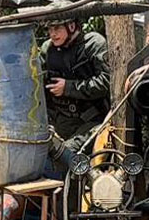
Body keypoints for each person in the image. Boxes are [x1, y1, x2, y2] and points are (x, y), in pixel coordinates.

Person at [40, 19, 110, 163]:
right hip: (59, 120)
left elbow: (105, 82)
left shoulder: (93, 44)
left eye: (57, 28)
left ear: (71, 26)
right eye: (50, 29)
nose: (52, 34)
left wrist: (68, 88)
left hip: (90, 121)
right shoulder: (48, 49)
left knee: (65, 155)